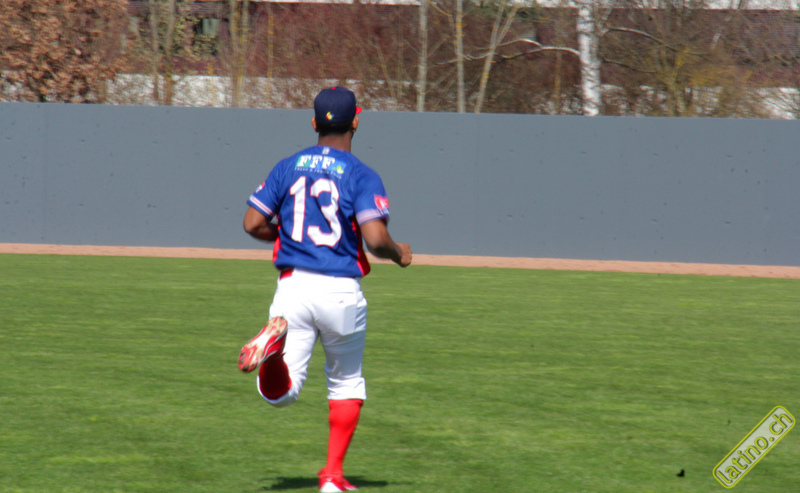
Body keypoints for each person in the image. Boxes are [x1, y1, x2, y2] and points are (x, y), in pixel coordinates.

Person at [238, 86, 412, 493]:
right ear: (356, 121)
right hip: (340, 292)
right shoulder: (361, 174)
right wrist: (399, 253)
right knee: (346, 383)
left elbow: (251, 223)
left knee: (280, 395)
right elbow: (375, 239)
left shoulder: (288, 166)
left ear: (314, 122)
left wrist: (285, 233)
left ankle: (273, 351)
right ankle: (332, 476)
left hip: (293, 289)